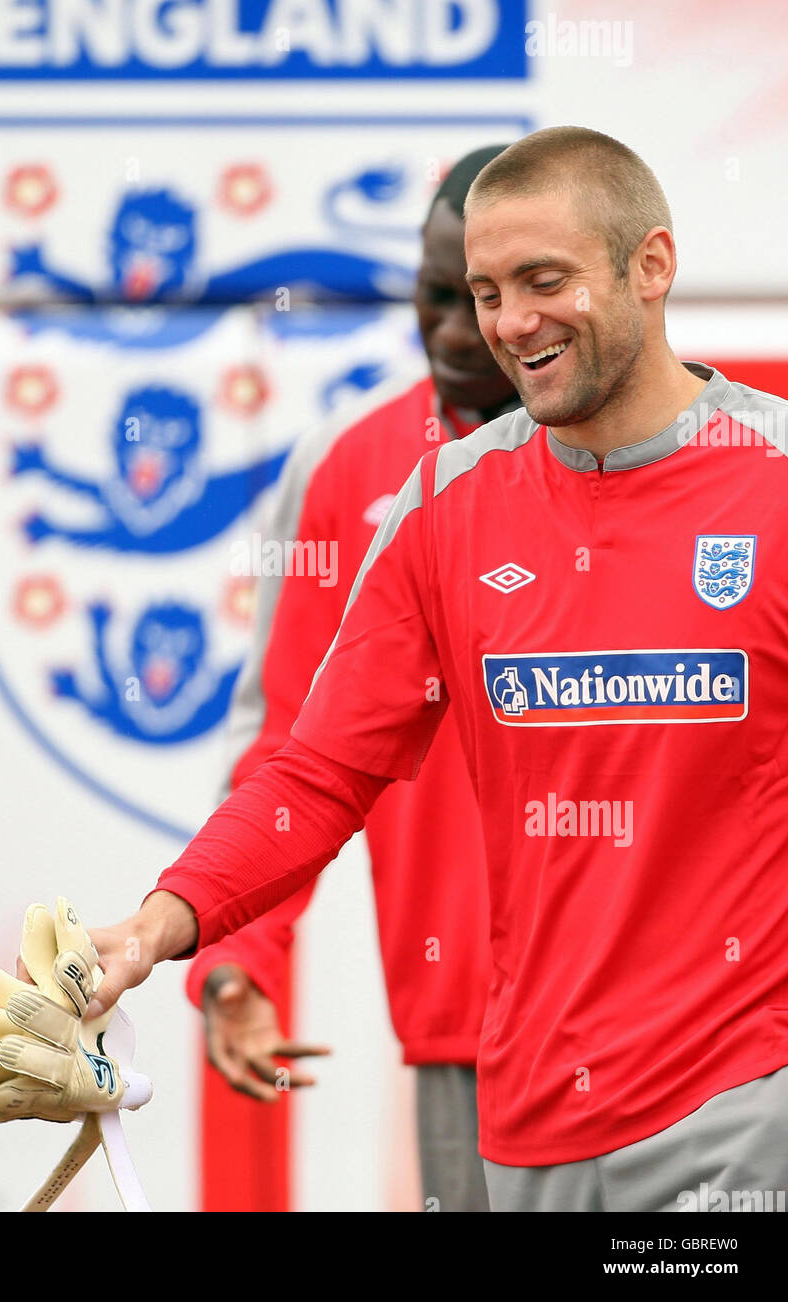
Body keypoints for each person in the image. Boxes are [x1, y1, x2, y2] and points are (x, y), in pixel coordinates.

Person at [75, 126, 788, 1211]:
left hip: (740, 1114)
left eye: (544, 282)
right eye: (484, 289)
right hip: (532, 1122)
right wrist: (160, 923)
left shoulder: (771, 481)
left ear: (651, 267)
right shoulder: (444, 503)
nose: (506, 325)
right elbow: (315, 772)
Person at [190, 146, 517, 1212]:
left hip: (701, 1032)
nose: (460, 330)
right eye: (440, 294)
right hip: (470, 1035)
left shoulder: (696, 458)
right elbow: (292, 747)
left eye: (493, 296)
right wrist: (239, 955)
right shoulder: (353, 464)